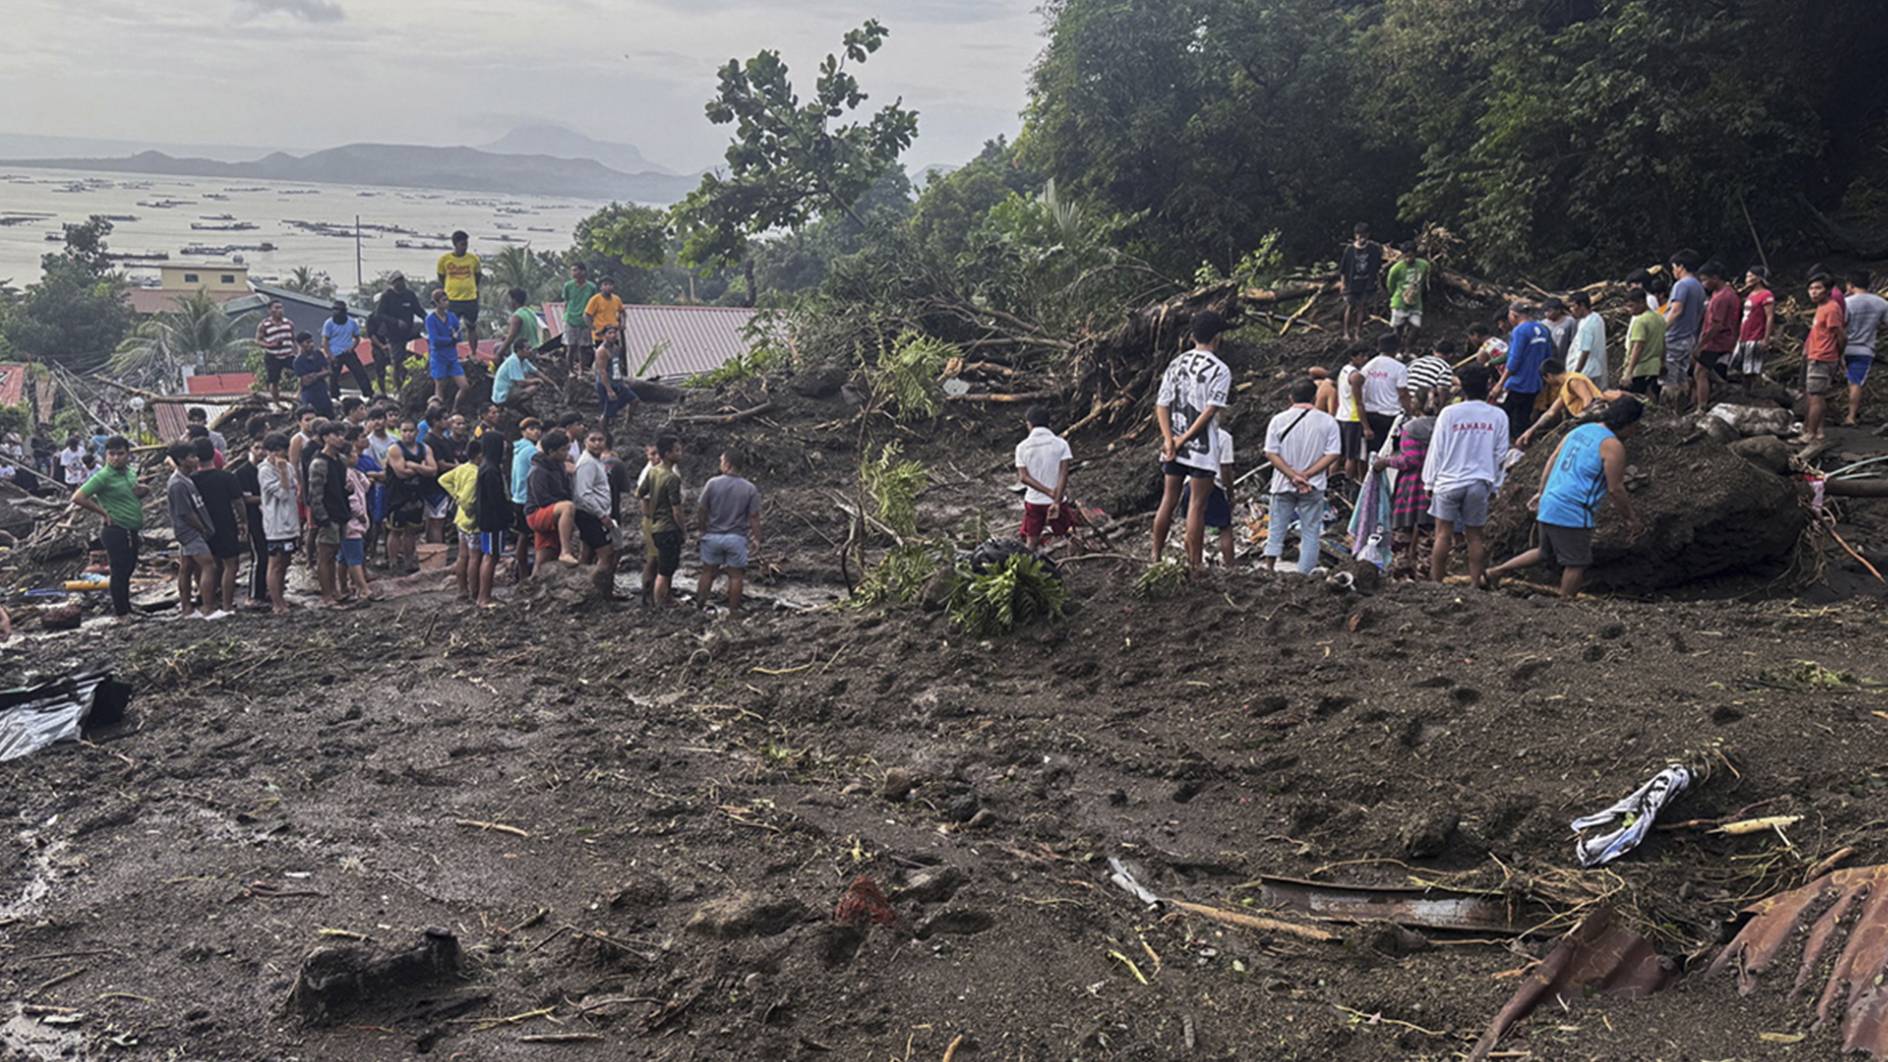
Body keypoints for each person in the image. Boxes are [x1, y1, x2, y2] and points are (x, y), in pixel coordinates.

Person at [1486, 397, 1646, 599]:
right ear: (1629, 422)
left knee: (1545, 552)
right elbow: (1615, 489)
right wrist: (1631, 518)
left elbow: (1552, 459)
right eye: (1636, 425)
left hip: (1552, 500)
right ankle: (1564, 606)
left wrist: (1542, 492)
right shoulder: (1612, 446)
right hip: (1573, 508)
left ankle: (1496, 571)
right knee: (1577, 563)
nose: (1637, 430)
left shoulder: (1581, 430)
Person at [1151, 311, 1234, 571]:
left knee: (1169, 498)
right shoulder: (1220, 369)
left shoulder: (1176, 363)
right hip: (1201, 449)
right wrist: (1186, 438)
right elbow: (1209, 411)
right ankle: (1194, 564)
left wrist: (1169, 440)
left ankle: (1154, 555)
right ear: (1217, 338)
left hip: (1172, 442)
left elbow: (1162, 404)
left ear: (1192, 336)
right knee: (1197, 505)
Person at [1422, 365, 1508, 588]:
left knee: (1442, 535)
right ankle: (1474, 585)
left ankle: (1436, 583)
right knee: (1475, 537)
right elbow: (1501, 454)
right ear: (1488, 386)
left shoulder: (1449, 413)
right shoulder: (1498, 415)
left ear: (1463, 389)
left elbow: (1437, 449)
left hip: (1448, 481)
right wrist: (1495, 485)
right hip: (1479, 482)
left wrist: (1429, 481)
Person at [1259, 379, 1342, 574]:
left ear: (1290, 397)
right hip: (1313, 485)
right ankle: (1305, 575)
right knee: (1311, 532)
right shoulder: (1328, 421)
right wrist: (1307, 475)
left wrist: (1293, 475)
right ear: (1314, 397)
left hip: (1282, 483)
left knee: (1276, 528)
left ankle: (1269, 568)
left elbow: (1271, 453)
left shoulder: (1278, 420)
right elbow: (1333, 453)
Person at [70, 435, 146, 622]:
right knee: (118, 571)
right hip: (116, 530)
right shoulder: (103, 476)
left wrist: (142, 490)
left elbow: (132, 491)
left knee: (128, 569)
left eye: (120, 454)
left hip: (131, 528)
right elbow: (78, 497)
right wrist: (103, 512)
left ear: (128, 454)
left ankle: (127, 608)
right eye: (111, 454)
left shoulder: (129, 472)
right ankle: (121, 613)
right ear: (105, 455)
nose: (116, 458)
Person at [695, 449, 762, 611]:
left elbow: (702, 509)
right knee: (736, 576)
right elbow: (754, 516)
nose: (720, 464)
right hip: (736, 538)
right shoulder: (750, 489)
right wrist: (757, 538)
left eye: (721, 461)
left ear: (727, 464)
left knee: (707, 573)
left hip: (712, 536)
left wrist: (702, 529)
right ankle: (733, 612)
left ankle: (699, 608)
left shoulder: (712, 483)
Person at [1374, 409, 1434, 579]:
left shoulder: (1410, 428)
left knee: (1401, 536)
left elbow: (1410, 460)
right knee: (1427, 539)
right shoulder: (1441, 427)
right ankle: (1424, 577)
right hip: (1432, 488)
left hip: (1410, 488)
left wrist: (1385, 462)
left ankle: (1401, 576)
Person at [166, 441, 220, 619]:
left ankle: (187, 608)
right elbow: (186, 513)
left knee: (186, 567)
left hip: (188, 531)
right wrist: (202, 528)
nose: (196, 460)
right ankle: (208, 607)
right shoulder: (177, 484)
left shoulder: (185, 478)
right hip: (190, 531)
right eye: (192, 457)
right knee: (208, 565)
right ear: (181, 460)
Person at [191, 436, 243, 619]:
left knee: (208, 566)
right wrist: (244, 522)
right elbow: (238, 502)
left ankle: (208, 606)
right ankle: (228, 605)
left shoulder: (191, 481)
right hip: (225, 524)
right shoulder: (227, 477)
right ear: (214, 453)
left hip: (202, 527)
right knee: (230, 564)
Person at [1515, 360, 1617, 449]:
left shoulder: (1573, 380)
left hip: (1597, 418)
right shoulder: (1565, 388)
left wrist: (1580, 422)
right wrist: (1531, 430)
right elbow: (1551, 412)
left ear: (1548, 376)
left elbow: (1588, 400)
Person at [306, 420, 351, 607]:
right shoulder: (318, 463)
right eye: (336, 435)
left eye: (341, 435)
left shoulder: (340, 460)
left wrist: (347, 490)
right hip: (328, 515)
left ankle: (334, 590)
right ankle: (326, 594)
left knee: (334, 554)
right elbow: (314, 495)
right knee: (325, 555)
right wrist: (322, 518)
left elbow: (340, 486)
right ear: (325, 438)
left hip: (340, 511)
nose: (340, 439)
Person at [1015, 406, 1074, 549]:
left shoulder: (1022, 447)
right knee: (1069, 534)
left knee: (1031, 539)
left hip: (1034, 501)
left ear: (1029, 424)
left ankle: (1029, 566)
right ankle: (1077, 560)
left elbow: (1024, 478)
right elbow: (1063, 474)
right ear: (1049, 423)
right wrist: (1056, 499)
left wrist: (1047, 491)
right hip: (1057, 500)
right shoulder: (1061, 444)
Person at [1494, 302, 1554, 442]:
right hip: (1535, 382)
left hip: (1519, 382)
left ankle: (1516, 445)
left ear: (1514, 315)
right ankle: (1523, 443)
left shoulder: (1520, 331)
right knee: (1524, 414)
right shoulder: (1543, 329)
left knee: (1508, 416)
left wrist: (1500, 384)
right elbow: (1547, 355)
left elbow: (1514, 360)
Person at [637, 433, 685, 605]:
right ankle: (658, 602)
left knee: (661, 564)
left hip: (656, 523)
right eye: (677, 451)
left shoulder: (653, 472)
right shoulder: (671, 477)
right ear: (667, 453)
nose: (680, 454)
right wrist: (683, 529)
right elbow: (676, 509)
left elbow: (640, 493)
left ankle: (658, 598)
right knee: (663, 568)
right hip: (666, 525)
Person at [525, 427, 583, 571]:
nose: (567, 453)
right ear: (551, 452)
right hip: (537, 513)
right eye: (563, 450)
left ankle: (533, 586)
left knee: (544, 556)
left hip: (552, 511)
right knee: (567, 507)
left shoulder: (559, 466)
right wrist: (563, 505)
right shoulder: (538, 471)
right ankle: (566, 551)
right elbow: (542, 500)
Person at [384, 418, 437, 573]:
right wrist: (422, 468)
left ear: (417, 432)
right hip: (397, 495)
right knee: (395, 530)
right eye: (404, 431)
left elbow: (433, 470)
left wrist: (413, 465)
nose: (407, 434)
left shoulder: (425, 448)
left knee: (411, 531)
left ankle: (408, 561)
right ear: (400, 432)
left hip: (416, 494)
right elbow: (400, 473)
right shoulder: (395, 449)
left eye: (410, 431)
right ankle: (393, 562)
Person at [438, 433, 485, 601]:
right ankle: (475, 591)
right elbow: (467, 499)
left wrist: (455, 495)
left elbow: (443, 480)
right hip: (471, 522)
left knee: (462, 556)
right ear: (479, 456)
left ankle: (462, 590)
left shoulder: (462, 468)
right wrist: (466, 505)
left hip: (460, 520)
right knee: (474, 557)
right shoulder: (475, 474)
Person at [573, 429, 620, 596]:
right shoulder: (587, 463)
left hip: (591, 513)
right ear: (585, 442)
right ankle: (600, 592)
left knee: (586, 553)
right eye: (593, 440)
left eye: (601, 440)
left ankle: (578, 588)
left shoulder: (597, 461)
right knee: (606, 554)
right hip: (590, 514)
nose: (597, 443)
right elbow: (583, 494)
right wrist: (602, 515)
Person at [1802, 272, 1847, 443]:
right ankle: (1818, 431)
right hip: (1817, 355)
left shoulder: (1831, 308)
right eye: (1811, 288)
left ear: (1827, 290)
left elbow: (1841, 336)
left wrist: (1838, 355)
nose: (1813, 292)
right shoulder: (1822, 307)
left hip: (1822, 357)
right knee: (1817, 396)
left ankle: (1810, 434)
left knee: (1815, 397)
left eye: (1818, 288)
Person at [257, 432, 300, 614]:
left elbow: (294, 488)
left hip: (290, 520)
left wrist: (286, 470)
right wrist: (282, 472)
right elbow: (282, 494)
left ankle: (282, 596)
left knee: (286, 561)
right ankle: (277, 602)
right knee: (275, 563)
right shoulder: (265, 471)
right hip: (276, 524)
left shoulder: (289, 467)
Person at [232, 417, 271, 609]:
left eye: (264, 449)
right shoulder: (243, 472)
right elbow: (244, 499)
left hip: (271, 518)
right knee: (259, 556)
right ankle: (254, 595)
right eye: (257, 448)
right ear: (250, 450)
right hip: (254, 518)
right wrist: (267, 497)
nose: (261, 452)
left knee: (272, 555)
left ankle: (266, 590)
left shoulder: (270, 468)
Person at [1695, 260, 1742, 411]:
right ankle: (1720, 385)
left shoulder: (1722, 297)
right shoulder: (1725, 293)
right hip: (1724, 339)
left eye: (1704, 280)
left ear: (1715, 277)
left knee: (1699, 371)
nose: (1703, 284)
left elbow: (1717, 324)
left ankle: (1701, 406)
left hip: (1717, 340)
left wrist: (1701, 344)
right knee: (1706, 369)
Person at [471, 433, 511, 607]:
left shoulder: (485, 466)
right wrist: (507, 516)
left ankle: (483, 595)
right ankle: (484, 597)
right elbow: (496, 499)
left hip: (486, 519)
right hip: (493, 521)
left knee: (489, 555)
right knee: (491, 556)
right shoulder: (491, 470)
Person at [1844, 270, 1888, 427]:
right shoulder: (1881, 303)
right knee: (1855, 382)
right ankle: (1851, 416)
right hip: (1865, 349)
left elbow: (1839, 326)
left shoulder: (1846, 303)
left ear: (1850, 285)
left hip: (1843, 348)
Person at [1663, 250, 1706, 407]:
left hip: (1674, 337)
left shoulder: (1681, 285)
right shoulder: (1699, 287)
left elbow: (1676, 310)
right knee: (1682, 376)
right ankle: (1681, 408)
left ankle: (1670, 410)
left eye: (1674, 267)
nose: (1673, 270)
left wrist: (1661, 329)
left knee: (1670, 379)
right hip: (1689, 338)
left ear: (1681, 266)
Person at [372, 272, 427, 391]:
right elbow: (379, 314)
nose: (400, 283)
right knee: (397, 361)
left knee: (424, 344)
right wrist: (396, 322)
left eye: (402, 280)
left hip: (409, 330)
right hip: (394, 333)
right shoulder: (387, 296)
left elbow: (418, 310)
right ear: (392, 284)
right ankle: (399, 387)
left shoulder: (409, 295)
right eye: (397, 281)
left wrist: (428, 319)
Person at [493, 288, 546, 408]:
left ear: (514, 301)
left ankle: (509, 395)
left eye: (509, 300)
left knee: (497, 349)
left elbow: (512, 337)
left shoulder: (516, 316)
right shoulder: (529, 312)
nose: (508, 302)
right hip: (534, 347)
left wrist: (499, 354)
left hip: (523, 349)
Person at [1358, 334, 1411, 451]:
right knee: (1390, 451)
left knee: (1372, 451)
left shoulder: (1367, 366)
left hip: (1370, 414)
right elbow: (1402, 394)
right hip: (1390, 415)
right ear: (1396, 348)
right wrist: (1409, 411)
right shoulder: (1399, 368)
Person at [341, 427, 374, 602]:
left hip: (357, 521)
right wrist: (360, 515)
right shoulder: (346, 476)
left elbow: (366, 486)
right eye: (352, 454)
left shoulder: (354, 473)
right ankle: (363, 588)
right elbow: (352, 500)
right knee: (355, 557)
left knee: (344, 557)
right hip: (353, 522)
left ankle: (344, 586)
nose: (356, 456)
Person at [509, 418, 543, 580]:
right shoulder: (531, 451)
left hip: (517, 496)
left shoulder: (518, 448)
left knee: (523, 535)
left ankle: (521, 568)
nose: (536, 431)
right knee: (532, 535)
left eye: (537, 429)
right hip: (526, 498)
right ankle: (527, 572)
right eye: (531, 429)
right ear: (523, 432)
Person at [425, 288, 468, 413]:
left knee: (464, 386)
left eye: (447, 299)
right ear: (436, 303)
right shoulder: (431, 319)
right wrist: (450, 339)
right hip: (438, 357)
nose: (447, 302)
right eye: (444, 300)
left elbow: (458, 335)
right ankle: (438, 414)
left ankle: (455, 409)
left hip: (452, 357)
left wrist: (454, 338)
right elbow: (435, 339)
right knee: (439, 389)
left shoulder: (452, 317)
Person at [1339, 223, 1382, 341]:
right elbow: (1343, 269)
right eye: (1359, 234)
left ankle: (1358, 333)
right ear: (1355, 235)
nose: (1361, 237)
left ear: (1368, 235)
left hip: (1366, 284)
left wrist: (1377, 283)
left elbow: (1377, 268)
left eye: (1364, 234)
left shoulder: (1373, 249)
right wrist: (1343, 284)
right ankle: (1346, 332)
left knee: (1361, 307)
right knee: (1349, 306)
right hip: (1351, 284)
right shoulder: (1349, 250)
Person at [1625, 284, 1668, 398]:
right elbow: (1663, 343)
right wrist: (1663, 362)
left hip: (1640, 368)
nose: (1629, 310)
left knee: (1631, 400)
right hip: (1654, 367)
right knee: (1651, 399)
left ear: (1641, 302)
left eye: (1631, 306)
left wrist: (1629, 372)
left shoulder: (1640, 321)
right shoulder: (1660, 318)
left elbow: (1638, 346)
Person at [1334, 345, 1370, 483]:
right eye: (1362, 356)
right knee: (1352, 456)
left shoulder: (1344, 370)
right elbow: (1359, 402)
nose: (1365, 359)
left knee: (1338, 455)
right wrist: (1366, 427)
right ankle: (1348, 483)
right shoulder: (1356, 377)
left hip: (1341, 415)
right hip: (1353, 418)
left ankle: (1333, 483)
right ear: (1353, 357)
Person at [437, 230, 481, 342]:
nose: (465, 247)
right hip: (452, 299)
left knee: (471, 327)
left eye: (466, 244)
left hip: (470, 298)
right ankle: (452, 351)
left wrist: (471, 288)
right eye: (462, 244)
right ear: (455, 244)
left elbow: (478, 276)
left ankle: (473, 352)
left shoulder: (473, 259)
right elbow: (441, 276)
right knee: (451, 328)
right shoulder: (444, 260)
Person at [323, 300, 372, 399]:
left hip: (348, 352)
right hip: (335, 354)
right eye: (335, 310)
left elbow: (357, 338)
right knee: (334, 377)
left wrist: (352, 347)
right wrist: (330, 356)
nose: (337, 313)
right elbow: (325, 342)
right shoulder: (329, 323)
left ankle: (368, 394)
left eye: (340, 310)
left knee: (360, 372)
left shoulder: (351, 322)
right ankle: (334, 396)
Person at [1734, 267, 1776, 381]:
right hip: (1744, 335)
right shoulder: (1750, 294)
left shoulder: (1766, 295)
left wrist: (1766, 338)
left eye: (1749, 276)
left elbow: (1770, 316)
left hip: (1756, 336)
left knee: (1751, 369)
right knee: (1740, 366)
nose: (1747, 279)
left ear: (1758, 279)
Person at [1385, 242, 1429, 350]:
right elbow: (1390, 285)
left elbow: (1424, 279)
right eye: (1406, 256)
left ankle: (1408, 348)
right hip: (1399, 301)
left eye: (1411, 256)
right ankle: (1397, 349)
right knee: (1398, 328)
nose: (1409, 259)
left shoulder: (1424, 265)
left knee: (1416, 326)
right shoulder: (1396, 269)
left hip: (1416, 302)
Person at [256, 300, 299, 401]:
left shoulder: (289, 323)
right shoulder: (264, 325)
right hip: (273, 356)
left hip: (288, 355)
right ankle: (276, 402)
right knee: (274, 381)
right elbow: (258, 340)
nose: (280, 310)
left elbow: (294, 340)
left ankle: (299, 395)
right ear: (270, 310)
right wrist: (270, 345)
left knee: (302, 371)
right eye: (276, 308)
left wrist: (298, 353)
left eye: (281, 307)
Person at [562, 261, 600, 375]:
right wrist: (565, 315)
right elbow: (566, 301)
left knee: (583, 347)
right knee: (571, 346)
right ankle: (570, 370)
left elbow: (594, 304)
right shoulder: (568, 286)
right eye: (572, 270)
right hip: (571, 319)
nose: (573, 273)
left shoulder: (591, 287)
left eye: (575, 270)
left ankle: (581, 370)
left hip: (585, 320)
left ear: (583, 272)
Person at [584, 275, 627, 374]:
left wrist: (623, 324)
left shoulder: (616, 299)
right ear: (601, 287)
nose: (608, 287)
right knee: (601, 357)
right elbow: (587, 315)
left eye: (610, 285)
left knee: (615, 356)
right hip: (601, 334)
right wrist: (594, 329)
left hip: (613, 333)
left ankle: (615, 375)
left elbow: (622, 312)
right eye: (605, 285)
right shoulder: (595, 299)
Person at [1566, 292, 1607, 389]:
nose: (1571, 310)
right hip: (1595, 368)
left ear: (1582, 305)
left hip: (1586, 371)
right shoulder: (1596, 318)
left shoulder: (1586, 325)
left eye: (1573, 306)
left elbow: (1585, 351)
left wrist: (1576, 372)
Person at [293, 331, 334, 419]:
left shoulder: (318, 354)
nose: (311, 344)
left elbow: (329, 371)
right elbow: (306, 381)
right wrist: (320, 374)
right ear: (300, 344)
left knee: (329, 416)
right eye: (307, 342)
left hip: (322, 391)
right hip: (309, 394)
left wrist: (315, 375)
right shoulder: (298, 361)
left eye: (311, 341)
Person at [1405, 340, 1455, 413]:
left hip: (1405, 402)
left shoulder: (1416, 362)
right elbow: (1442, 391)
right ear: (1450, 355)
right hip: (1422, 407)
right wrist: (1439, 411)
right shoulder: (1445, 368)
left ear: (1434, 351)